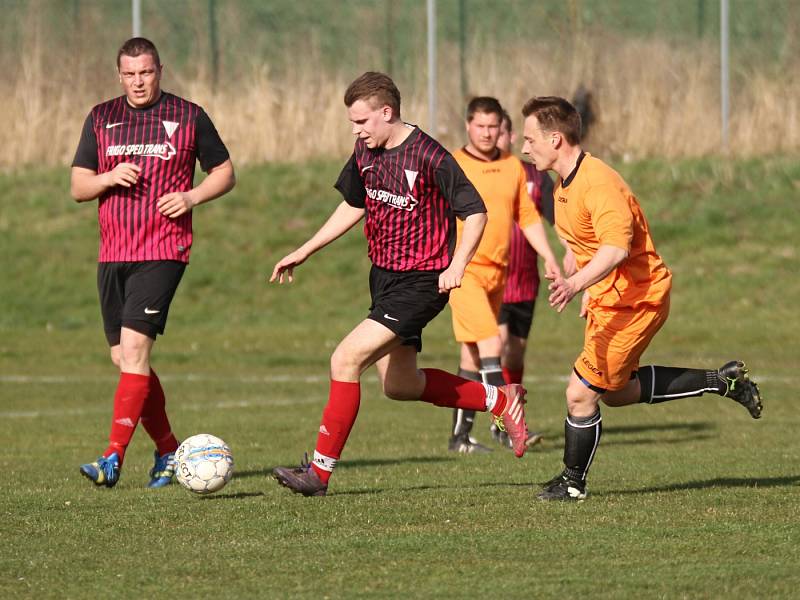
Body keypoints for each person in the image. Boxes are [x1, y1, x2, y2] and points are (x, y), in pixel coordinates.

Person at [270, 72, 530, 497]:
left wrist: (457, 265)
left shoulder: (430, 155)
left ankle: (318, 475)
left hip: (423, 282)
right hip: (385, 279)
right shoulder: (365, 151)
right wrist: (306, 248)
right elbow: (355, 203)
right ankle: (499, 401)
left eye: (362, 122)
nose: (356, 131)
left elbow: (476, 211)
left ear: (386, 113)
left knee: (345, 359)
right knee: (400, 385)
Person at [520, 96, 763, 501]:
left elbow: (615, 248)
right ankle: (723, 381)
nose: (525, 147)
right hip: (610, 298)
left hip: (637, 300)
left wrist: (576, 283)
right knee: (615, 392)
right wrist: (580, 276)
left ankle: (573, 483)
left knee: (580, 393)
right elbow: (581, 241)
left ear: (556, 139)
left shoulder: (599, 184)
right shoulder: (563, 184)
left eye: (530, 139)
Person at [70, 38, 235, 488]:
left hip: (163, 250)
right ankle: (166, 451)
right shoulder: (101, 117)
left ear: (160, 70)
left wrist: (191, 196)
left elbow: (224, 171)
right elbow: (79, 186)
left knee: (136, 352)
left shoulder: (188, 115)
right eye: (130, 74)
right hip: (113, 253)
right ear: (119, 74)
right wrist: (108, 176)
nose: (138, 81)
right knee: (124, 357)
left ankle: (111, 457)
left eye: (146, 72)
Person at [446, 98, 560, 454]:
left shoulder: (512, 166)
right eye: (480, 126)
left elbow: (527, 218)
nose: (486, 133)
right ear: (468, 126)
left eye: (493, 126)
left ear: (501, 129)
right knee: (493, 345)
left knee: (472, 358)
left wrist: (550, 257)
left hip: (499, 273)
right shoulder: (453, 164)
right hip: (464, 272)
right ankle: (507, 428)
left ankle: (460, 438)